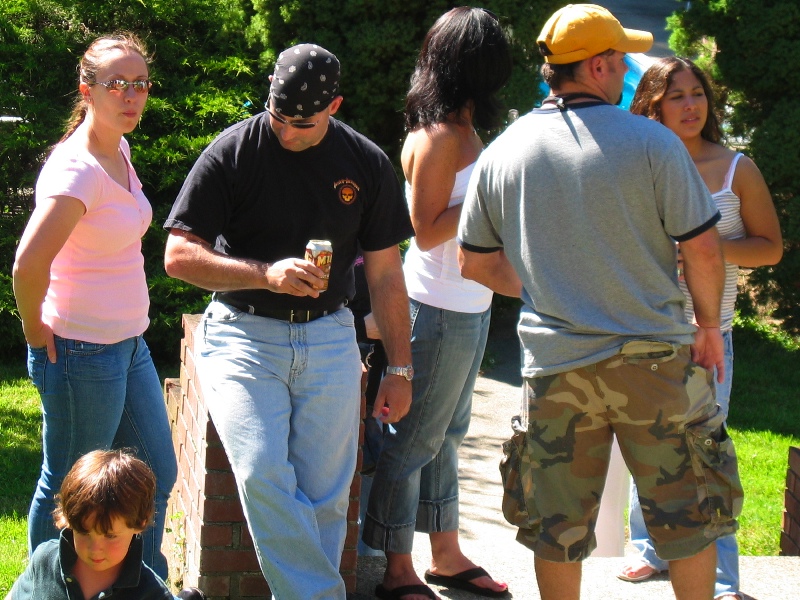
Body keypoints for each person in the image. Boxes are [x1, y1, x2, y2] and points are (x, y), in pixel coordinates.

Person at [457, 4, 744, 600]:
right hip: (657, 363)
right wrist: (710, 326)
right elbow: (705, 251)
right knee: (689, 520)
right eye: (622, 60)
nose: (627, 72)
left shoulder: (504, 151)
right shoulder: (653, 143)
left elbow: (474, 262)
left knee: (555, 530)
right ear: (599, 65)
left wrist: (545, 285)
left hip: (557, 369)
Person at [162, 43, 414, 600]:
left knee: (327, 498)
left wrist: (400, 367)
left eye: (301, 122)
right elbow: (177, 255)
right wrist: (264, 274)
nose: (285, 131)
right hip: (243, 333)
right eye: (276, 114)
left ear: (335, 106)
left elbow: (387, 278)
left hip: (330, 334)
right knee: (260, 474)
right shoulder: (234, 150)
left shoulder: (366, 163)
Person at [12, 33, 178, 579]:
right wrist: (38, 338)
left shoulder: (118, 150)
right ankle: (49, 588)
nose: (132, 96)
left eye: (140, 84)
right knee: (69, 486)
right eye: (117, 85)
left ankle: (141, 585)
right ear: (88, 90)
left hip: (128, 347)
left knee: (155, 471)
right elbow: (27, 267)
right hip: (82, 354)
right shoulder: (76, 171)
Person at [617, 56, 783, 599]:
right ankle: (649, 551)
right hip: (646, 331)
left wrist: (708, 248)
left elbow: (770, 247)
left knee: (707, 453)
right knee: (647, 444)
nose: (690, 106)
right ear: (653, 106)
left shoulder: (737, 168)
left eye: (697, 94)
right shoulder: (635, 164)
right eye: (676, 96)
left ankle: (721, 579)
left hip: (713, 335)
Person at [362, 8, 512, 600]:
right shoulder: (440, 135)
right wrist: (488, 185)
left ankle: (445, 554)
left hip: (467, 306)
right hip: (437, 308)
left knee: (448, 434)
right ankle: (397, 567)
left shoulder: (462, 127)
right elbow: (424, 229)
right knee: (413, 440)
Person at [6, 449, 204, 600]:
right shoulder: (45, 562)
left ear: (139, 522)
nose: (95, 549)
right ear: (68, 520)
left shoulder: (150, 592)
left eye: (109, 536)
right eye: (83, 532)